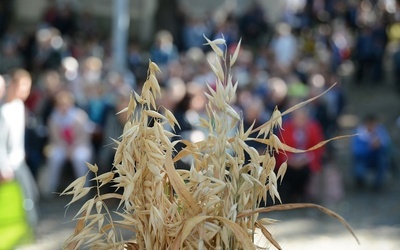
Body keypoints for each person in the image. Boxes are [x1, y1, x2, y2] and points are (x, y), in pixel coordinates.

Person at [0, 70, 39, 241]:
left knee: (31, 195)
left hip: (19, 161)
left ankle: (29, 232)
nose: (26, 91)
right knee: (22, 199)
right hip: (9, 165)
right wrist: (3, 167)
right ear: (14, 86)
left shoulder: (20, 107)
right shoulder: (4, 111)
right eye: (23, 86)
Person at [43, 89, 93, 197]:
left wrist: (73, 148)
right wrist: (66, 149)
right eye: (60, 104)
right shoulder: (53, 118)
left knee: (80, 158)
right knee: (54, 157)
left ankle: (84, 190)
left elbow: (84, 136)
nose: (63, 106)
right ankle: (51, 188)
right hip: (60, 146)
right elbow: (54, 138)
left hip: (80, 145)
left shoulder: (80, 116)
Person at [276, 105, 325, 203]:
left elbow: (318, 147)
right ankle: (289, 196)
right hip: (288, 162)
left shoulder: (313, 128)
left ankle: (301, 194)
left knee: (304, 172)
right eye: (298, 118)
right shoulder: (286, 128)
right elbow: (281, 148)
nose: (300, 121)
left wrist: (307, 158)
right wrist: (290, 161)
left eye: (303, 118)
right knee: (288, 173)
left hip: (306, 161)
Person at [351, 113, 391, 190]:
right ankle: (360, 182)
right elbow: (356, 151)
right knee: (359, 169)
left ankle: (377, 185)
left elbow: (387, 144)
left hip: (376, 158)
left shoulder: (380, 130)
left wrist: (380, 145)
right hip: (362, 159)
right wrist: (369, 147)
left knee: (382, 161)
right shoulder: (358, 133)